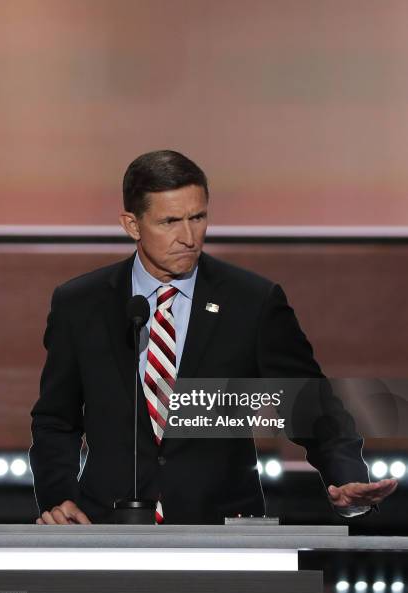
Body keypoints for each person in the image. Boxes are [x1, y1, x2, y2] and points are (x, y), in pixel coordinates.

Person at [30, 150, 397, 525]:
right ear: (132, 225)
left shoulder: (251, 301)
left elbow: (312, 406)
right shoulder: (81, 304)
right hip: (105, 528)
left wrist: (346, 476)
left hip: (224, 533)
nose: (188, 237)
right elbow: (56, 421)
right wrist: (59, 499)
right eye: (170, 221)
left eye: (198, 217)